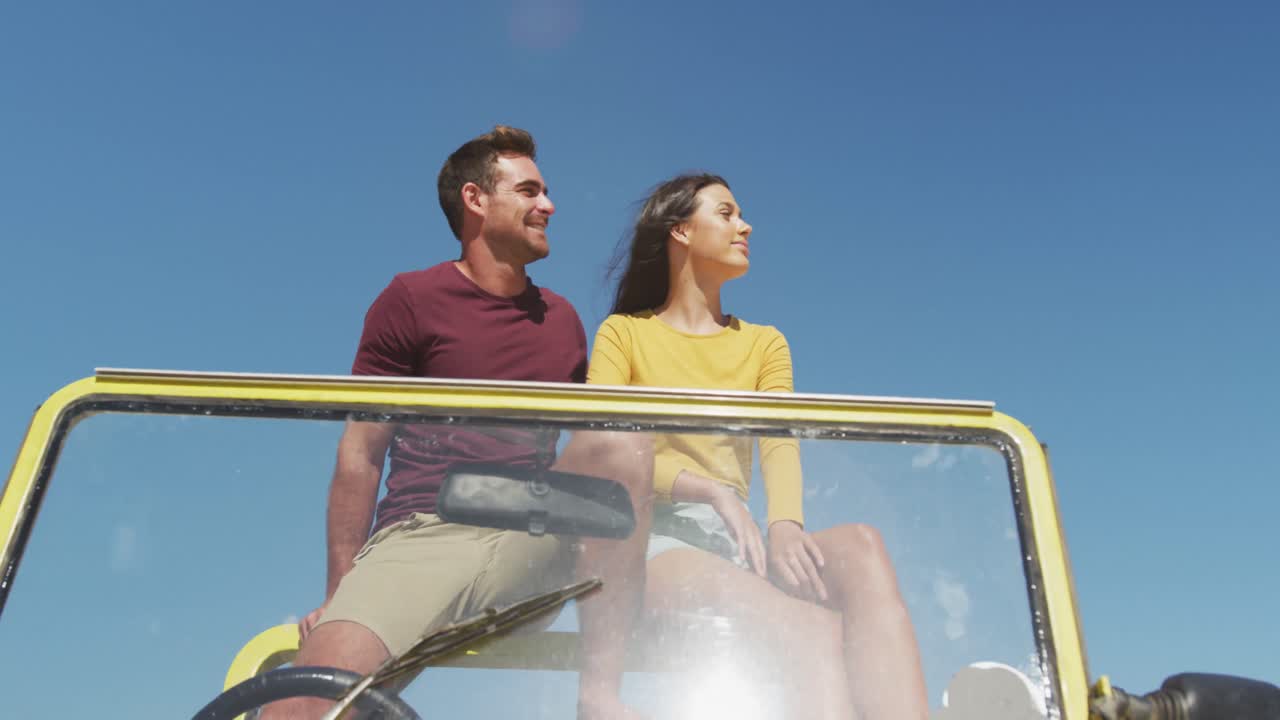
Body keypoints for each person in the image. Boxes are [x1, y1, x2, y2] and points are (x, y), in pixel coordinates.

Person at [261, 126, 653, 720]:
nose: (548, 206)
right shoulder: (411, 298)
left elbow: (606, 461)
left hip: (535, 535)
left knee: (622, 448)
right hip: (424, 533)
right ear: (475, 200)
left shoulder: (565, 320)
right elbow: (360, 454)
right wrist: (339, 590)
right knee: (303, 702)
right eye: (528, 191)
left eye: (544, 192)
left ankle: (599, 696)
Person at [587, 173, 929, 719]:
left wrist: (784, 524)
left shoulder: (765, 343)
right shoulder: (623, 335)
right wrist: (707, 491)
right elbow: (598, 449)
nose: (744, 225)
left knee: (862, 545)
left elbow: (779, 438)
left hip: (736, 541)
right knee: (813, 628)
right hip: (654, 540)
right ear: (680, 230)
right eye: (725, 213)